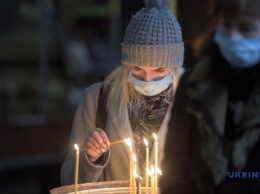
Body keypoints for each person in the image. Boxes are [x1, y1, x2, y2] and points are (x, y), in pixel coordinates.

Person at [61, 0, 184, 185]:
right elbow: (68, 182)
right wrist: (91, 159)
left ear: (174, 67)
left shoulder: (190, 101)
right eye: (137, 68)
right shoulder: (97, 99)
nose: (147, 79)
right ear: (126, 63)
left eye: (159, 70)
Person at [160, 0, 260, 193]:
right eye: (226, 24)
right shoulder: (194, 83)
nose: (233, 37)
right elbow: (175, 163)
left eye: (246, 28)